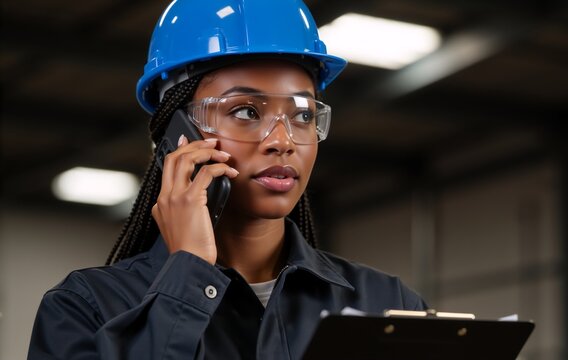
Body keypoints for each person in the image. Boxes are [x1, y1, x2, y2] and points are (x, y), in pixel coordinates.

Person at [28, 0, 427, 359]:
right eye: (246, 112)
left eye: (303, 115)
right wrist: (187, 275)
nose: (283, 142)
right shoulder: (86, 309)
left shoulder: (388, 304)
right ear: (177, 135)